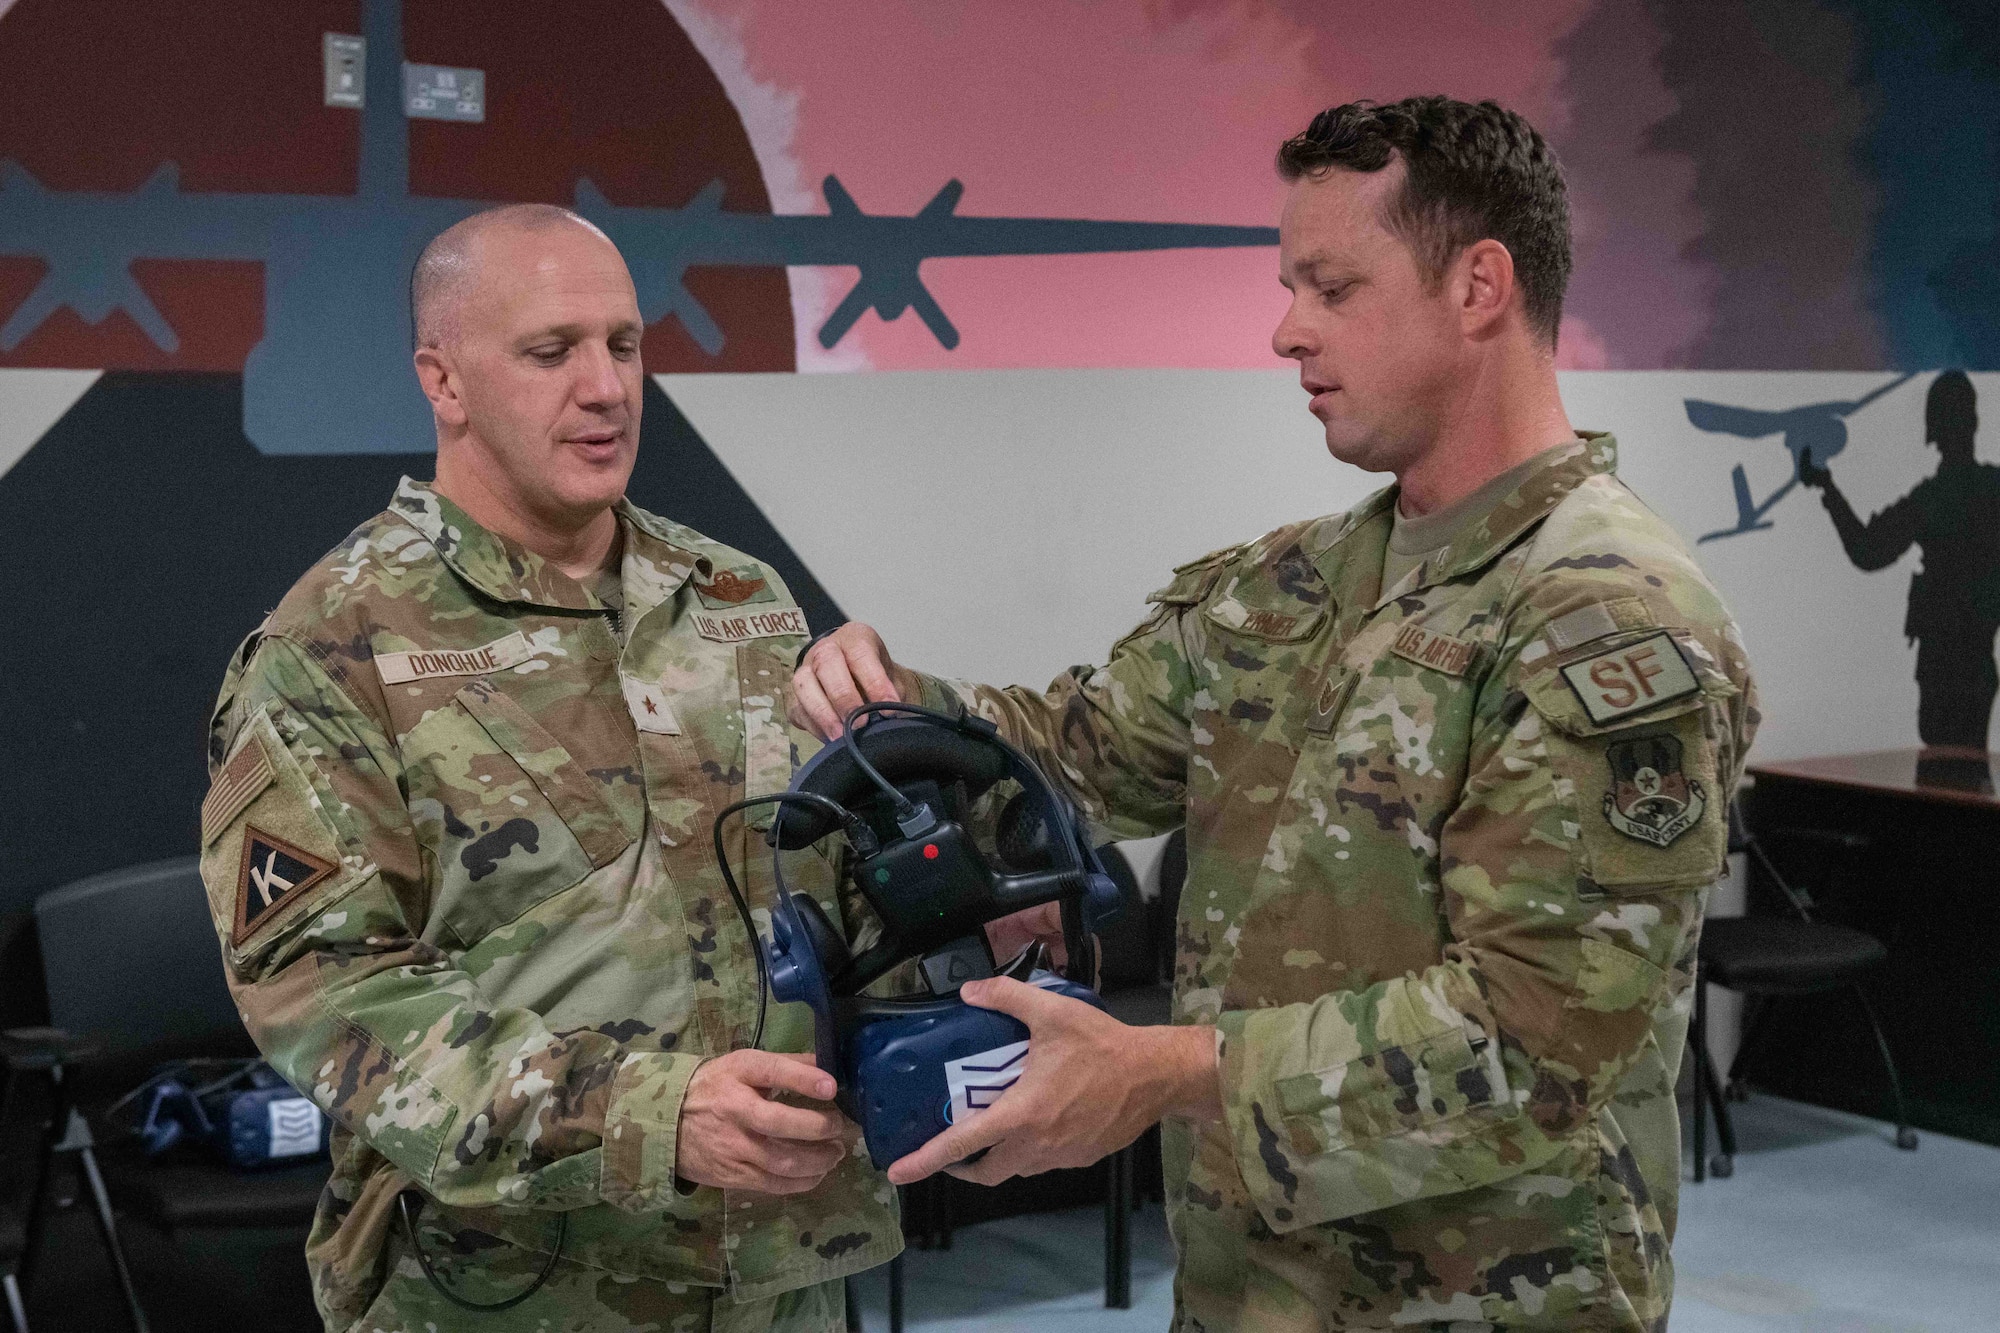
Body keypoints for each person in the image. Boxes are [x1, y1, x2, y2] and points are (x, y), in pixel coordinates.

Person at [794, 97, 1758, 1331]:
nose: (1284, 329)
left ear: (1478, 288)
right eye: (1287, 284)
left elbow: (1539, 1041)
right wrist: (884, 694)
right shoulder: (1292, 584)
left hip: (1486, 1296)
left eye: (1331, 286)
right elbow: (1073, 754)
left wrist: (1155, 1073)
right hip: (1251, 1284)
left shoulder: (1606, 618)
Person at [197, 204, 897, 1332]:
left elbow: (810, 893)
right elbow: (332, 1000)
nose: (606, 386)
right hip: (507, 1289)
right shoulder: (336, 646)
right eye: (550, 350)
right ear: (444, 380)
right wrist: (650, 1116)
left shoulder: (734, 598)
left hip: (774, 1277)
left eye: (622, 344)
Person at [1801, 370, 2000, 757]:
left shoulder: (1933, 498)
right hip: (1976, 664)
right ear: (1972, 422)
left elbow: (1867, 551)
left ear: (1935, 429)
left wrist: (1828, 489)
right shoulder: (1988, 490)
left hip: (1944, 664)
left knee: (1945, 766)